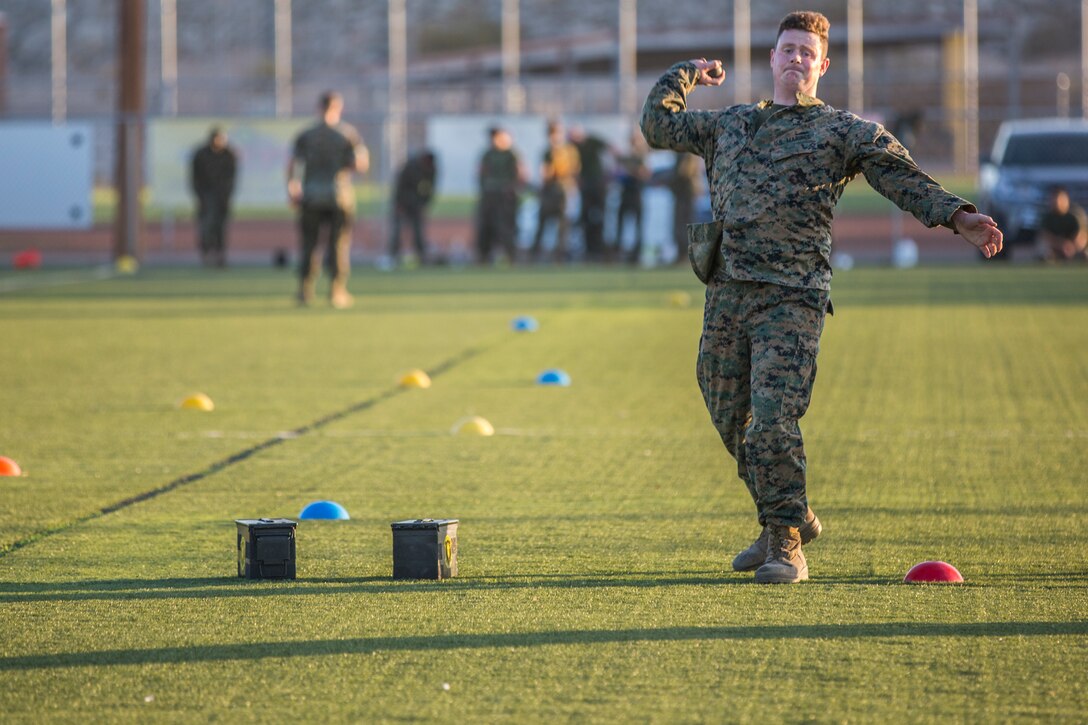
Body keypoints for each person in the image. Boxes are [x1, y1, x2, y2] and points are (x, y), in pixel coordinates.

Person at [640, 10, 1003, 584]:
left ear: (823, 65)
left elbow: (899, 174)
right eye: (787, 49)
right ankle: (784, 515)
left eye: (807, 53)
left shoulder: (841, 130)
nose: (796, 59)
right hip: (729, 291)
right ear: (772, 58)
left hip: (793, 295)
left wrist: (956, 215)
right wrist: (688, 71)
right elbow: (658, 126)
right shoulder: (731, 124)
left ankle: (786, 542)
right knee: (728, 411)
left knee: (773, 420)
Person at [287, 91, 369, 308]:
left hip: (311, 196)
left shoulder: (306, 134)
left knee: (309, 244)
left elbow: (293, 165)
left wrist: (293, 189)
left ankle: (305, 291)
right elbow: (360, 164)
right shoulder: (347, 134)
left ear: (318, 107)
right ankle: (336, 291)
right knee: (338, 244)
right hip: (338, 196)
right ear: (338, 107)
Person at [530, 120, 580, 263]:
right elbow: (544, 172)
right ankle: (534, 256)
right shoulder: (547, 151)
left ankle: (560, 257)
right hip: (548, 192)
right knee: (542, 223)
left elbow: (574, 170)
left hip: (563, 191)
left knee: (563, 226)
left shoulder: (569, 151)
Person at [476, 126, 527, 265]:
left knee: (505, 227)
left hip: (505, 196)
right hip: (489, 195)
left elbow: (520, 175)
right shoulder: (488, 154)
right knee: (485, 226)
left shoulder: (511, 155)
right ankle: (484, 256)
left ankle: (510, 256)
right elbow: (481, 173)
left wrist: (513, 189)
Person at [190, 127, 237, 268]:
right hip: (206, 196)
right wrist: (200, 195)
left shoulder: (229, 155)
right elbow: (195, 178)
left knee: (221, 228)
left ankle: (220, 255)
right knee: (206, 226)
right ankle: (206, 254)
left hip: (222, 197)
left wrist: (226, 195)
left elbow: (231, 178)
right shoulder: (201, 154)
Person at [569, 125, 611, 261]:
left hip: (597, 183)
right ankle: (589, 248)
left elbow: (610, 149)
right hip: (586, 185)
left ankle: (599, 247)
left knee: (599, 216)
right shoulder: (573, 147)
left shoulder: (592, 141)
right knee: (586, 217)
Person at [388, 150, 437, 266]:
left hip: (417, 203)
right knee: (397, 230)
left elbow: (430, 189)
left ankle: (421, 256)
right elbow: (399, 186)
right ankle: (393, 256)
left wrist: (424, 204)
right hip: (403, 202)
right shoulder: (410, 167)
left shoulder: (431, 170)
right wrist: (398, 204)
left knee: (418, 231)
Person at [614, 132, 650, 264]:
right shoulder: (627, 157)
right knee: (621, 224)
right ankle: (619, 252)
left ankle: (637, 254)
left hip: (636, 193)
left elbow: (644, 174)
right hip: (625, 194)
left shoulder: (640, 157)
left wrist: (630, 171)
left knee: (637, 225)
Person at [1036, 186, 1087, 262]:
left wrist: (1070, 247)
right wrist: (1061, 245)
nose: (1057, 202)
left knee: (1082, 248)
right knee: (1043, 248)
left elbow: (1081, 237)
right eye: (1054, 199)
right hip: (1057, 248)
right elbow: (1045, 236)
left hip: (1074, 248)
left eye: (1060, 199)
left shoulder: (1075, 214)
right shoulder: (1048, 217)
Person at [669, 152, 702, 264]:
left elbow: (685, 171)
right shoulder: (683, 153)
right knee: (682, 225)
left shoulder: (686, 153)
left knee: (684, 225)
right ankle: (683, 253)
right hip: (682, 194)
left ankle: (685, 254)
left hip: (685, 194)